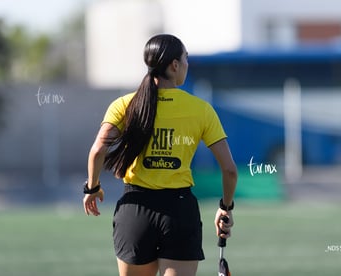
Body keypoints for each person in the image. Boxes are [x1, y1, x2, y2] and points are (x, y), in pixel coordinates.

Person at [83, 34, 237, 276]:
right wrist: (225, 207)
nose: (187, 64)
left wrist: (92, 188)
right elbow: (229, 170)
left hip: (135, 211)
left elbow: (98, 150)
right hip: (179, 212)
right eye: (185, 58)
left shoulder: (125, 104)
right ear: (174, 65)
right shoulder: (201, 109)